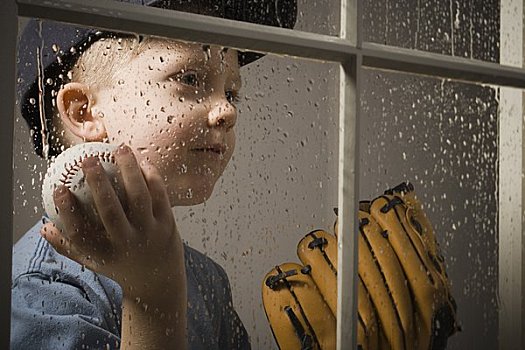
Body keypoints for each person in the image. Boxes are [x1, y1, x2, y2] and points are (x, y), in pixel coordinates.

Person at [11, 1, 296, 349]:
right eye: (190, 78)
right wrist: (153, 298)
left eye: (232, 92)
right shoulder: (40, 286)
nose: (226, 110)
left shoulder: (207, 278)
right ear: (84, 112)